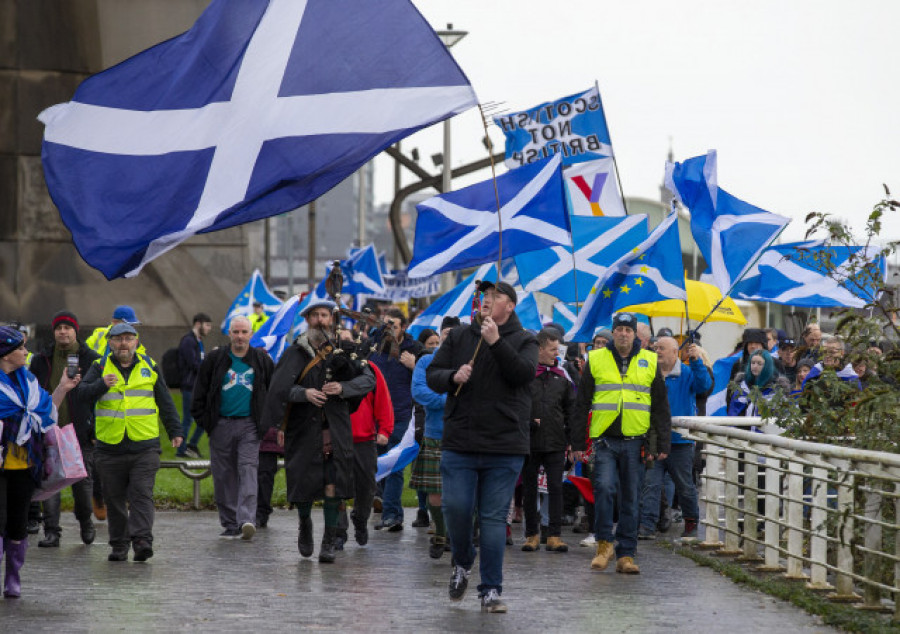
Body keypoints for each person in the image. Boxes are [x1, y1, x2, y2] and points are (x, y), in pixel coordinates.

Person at [427, 281, 538, 613]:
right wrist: (451, 376)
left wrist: (496, 342)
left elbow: (522, 374)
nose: (487, 301)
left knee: (492, 519)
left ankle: (490, 589)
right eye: (484, 296)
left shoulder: (525, 339)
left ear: (510, 306)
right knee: (457, 509)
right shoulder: (460, 335)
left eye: (495, 297)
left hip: (504, 444)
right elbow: (432, 373)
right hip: (461, 440)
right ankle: (462, 562)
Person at [262, 300, 375, 563]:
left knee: (332, 485)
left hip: (335, 429)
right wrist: (304, 393)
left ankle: (329, 539)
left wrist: (343, 389)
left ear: (331, 319)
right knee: (302, 485)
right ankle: (304, 524)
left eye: (325, 315)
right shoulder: (294, 354)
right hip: (302, 432)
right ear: (307, 319)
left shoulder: (346, 351)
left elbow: (368, 380)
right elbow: (277, 391)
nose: (320, 320)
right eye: (315, 315)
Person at [572, 312, 671, 576]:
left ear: (634, 334)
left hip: (635, 440)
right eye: (620, 329)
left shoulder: (650, 361)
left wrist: (663, 442)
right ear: (613, 332)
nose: (624, 334)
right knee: (603, 488)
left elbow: (660, 406)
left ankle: (626, 553)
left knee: (631, 497)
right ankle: (604, 545)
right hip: (604, 439)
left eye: (628, 329)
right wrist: (577, 441)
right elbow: (582, 403)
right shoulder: (596, 359)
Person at [79, 323, 183, 562]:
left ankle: (142, 540)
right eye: (118, 339)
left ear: (136, 341)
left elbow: (165, 401)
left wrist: (175, 430)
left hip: (144, 445)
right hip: (109, 446)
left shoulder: (149, 366)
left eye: (128, 338)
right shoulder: (99, 367)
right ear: (110, 343)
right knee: (113, 498)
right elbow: (82, 395)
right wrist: (101, 384)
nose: (123, 343)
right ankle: (119, 544)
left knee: (141, 494)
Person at [0, 325, 79, 597]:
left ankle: (13, 575)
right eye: (20, 348)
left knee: (18, 526)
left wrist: (61, 389)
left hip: (25, 466)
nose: (25, 352)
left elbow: (46, 413)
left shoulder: (29, 383)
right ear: (5, 354)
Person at [191, 316, 274, 540]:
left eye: (244, 332)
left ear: (251, 334)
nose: (239, 336)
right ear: (229, 333)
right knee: (223, 474)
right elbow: (200, 391)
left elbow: (273, 391)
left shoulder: (261, 359)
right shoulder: (216, 359)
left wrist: (267, 422)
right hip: (221, 424)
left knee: (248, 469)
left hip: (250, 425)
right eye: (236, 332)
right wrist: (206, 422)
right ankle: (230, 522)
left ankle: (247, 518)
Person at [29, 310, 100, 547]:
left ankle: (85, 522)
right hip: (50, 431)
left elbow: (100, 397)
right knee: (50, 483)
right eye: (59, 328)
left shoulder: (91, 359)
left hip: (80, 431)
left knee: (82, 484)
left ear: (75, 330)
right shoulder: (42, 359)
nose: (63, 332)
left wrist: (93, 429)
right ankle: (52, 531)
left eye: (67, 328)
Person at [638, 336, 710, 540]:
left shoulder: (686, 372)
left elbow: (703, 386)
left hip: (680, 440)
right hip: (654, 438)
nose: (657, 351)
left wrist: (696, 361)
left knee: (685, 485)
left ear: (674, 352)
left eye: (662, 348)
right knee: (650, 484)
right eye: (656, 348)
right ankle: (647, 525)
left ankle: (691, 523)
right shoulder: (650, 372)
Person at [337, 329, 392, 548]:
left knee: (366, 486)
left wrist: (385, 430)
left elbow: (383, 401)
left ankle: (360, 518)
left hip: (364, 439)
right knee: (336, 486)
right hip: (337, 438)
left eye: (349, 340)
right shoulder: (330, 370)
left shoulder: (370, 370)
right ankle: (338, 530)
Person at [521, 329, 575, 554]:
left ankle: (553, 535)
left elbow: (571, 410)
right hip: (530, 441)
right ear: (540, 348)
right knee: (529, 490)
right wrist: (527, 421)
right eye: (553, 349)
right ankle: (531, 534)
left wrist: (573, 440)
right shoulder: (526, 375)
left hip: (555, 441)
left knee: (555, 488)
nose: (557, 354)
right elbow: (516, 404)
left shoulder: (562, 376)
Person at [368, 308, 422, 532]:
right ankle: (385, 504)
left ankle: (392, 514)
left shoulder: (413, 350)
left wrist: (415, 364)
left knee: (395, 466)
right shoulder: (374, 347)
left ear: (403, 328)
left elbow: (428, 375)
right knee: (378, 462)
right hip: (376, 416)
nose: (389, 329)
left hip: (400, 415)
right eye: (386, 324)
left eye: (394, 325)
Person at [410, 316, 458, 560]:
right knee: (436, 491)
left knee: (463, 491)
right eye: (446, 332)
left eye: (454, 332)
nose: (449, 336)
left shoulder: (470, 361)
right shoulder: (427, 361)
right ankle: (440, 533)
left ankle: (460, 535)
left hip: (465, 436)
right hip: (435, 433)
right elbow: (419, 392)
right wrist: (450, 402)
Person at [409, 328, 439, 529]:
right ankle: (426, 515)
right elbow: (419, 392)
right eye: (432, 343)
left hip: (456, 432)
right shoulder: (423, 362)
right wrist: (450, 400)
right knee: (430, 483)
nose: (436, 346)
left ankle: (446, 529)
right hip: (427, 425)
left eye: (439, 342)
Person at [175, 313, 213, 459]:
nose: (209, 328)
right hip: (189, 386)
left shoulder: (198, 341)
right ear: (198, 324)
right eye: (207, 325)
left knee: (205, 417)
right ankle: (181, 449)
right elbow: (194, 364)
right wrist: (210, 362)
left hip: (198, 386)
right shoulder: (188, 341)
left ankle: (192, 444)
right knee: (188, 419)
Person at [727, 349, 791, 417]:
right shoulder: (742, 387)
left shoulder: (776, 390)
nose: (755, 366)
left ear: (767, 366)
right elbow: (733, 413)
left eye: (759, 364)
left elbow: (781, 417)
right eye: (753, 363)